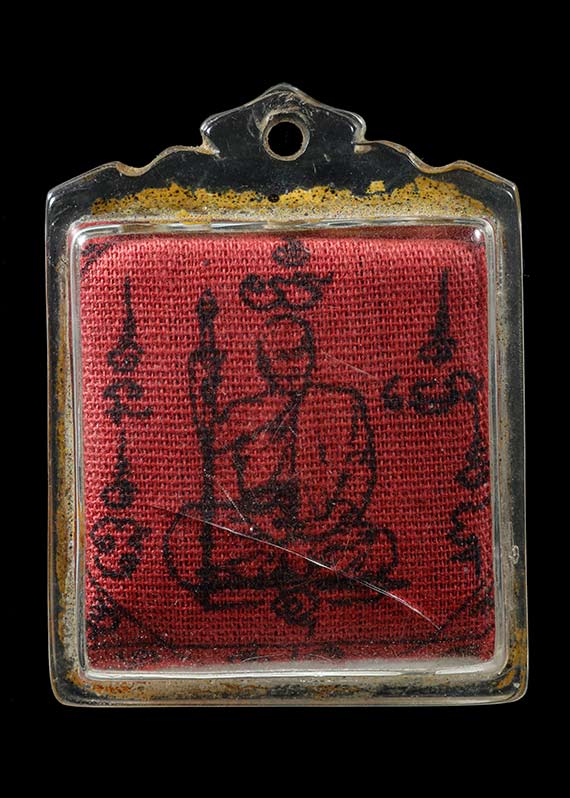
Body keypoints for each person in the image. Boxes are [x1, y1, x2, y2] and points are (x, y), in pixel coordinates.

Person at [188, 313, 399, 588]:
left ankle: (287, 565)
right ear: (264, 363)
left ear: (311, 356)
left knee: (379, 545)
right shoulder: (239, 416)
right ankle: (304, 565)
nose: (295, 364)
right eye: (283, 356)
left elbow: (359, 474)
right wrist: (260, 521)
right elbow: (219, 481)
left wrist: (334, 519)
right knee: (199, 537)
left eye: (301, 353)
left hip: (324, 530)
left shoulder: (344, 406)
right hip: (260, 530)